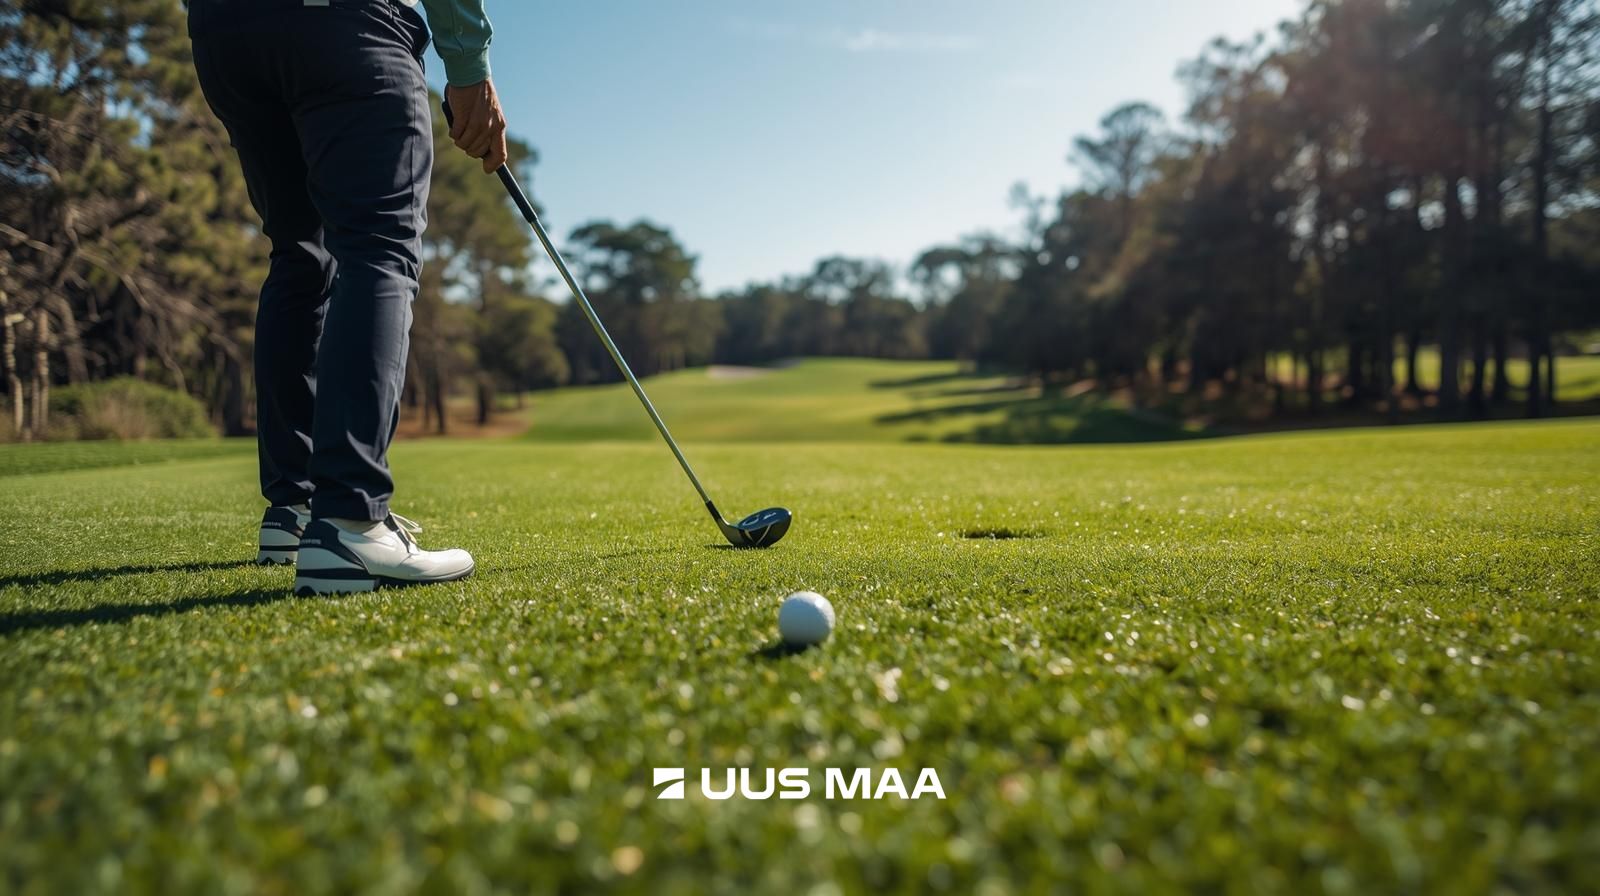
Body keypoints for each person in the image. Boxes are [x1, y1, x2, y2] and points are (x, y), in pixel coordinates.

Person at [187, 0, 508, 594]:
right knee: (380, 246)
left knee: (299, 255)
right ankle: (350, 521)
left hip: (224, 31)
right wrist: (468, 69)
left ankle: (296, 509)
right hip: (345, 22)